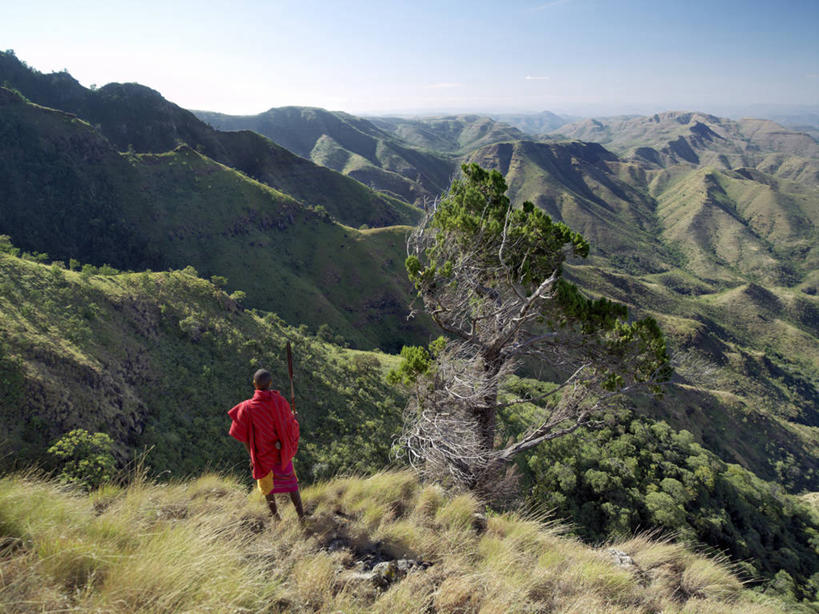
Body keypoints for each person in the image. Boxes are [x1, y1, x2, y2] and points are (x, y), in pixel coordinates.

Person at [228, 368, 304, 521]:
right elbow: (289, 426)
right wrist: (294, 420)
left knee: (267, 488)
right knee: (291, 484)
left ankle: (276, 518)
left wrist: (252, 456)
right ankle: (301, 518)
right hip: (280, 453)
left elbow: (243, 437)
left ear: (254, 384)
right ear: (270, 383)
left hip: (262, 456)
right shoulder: (280, 402)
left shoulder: (247, 408)